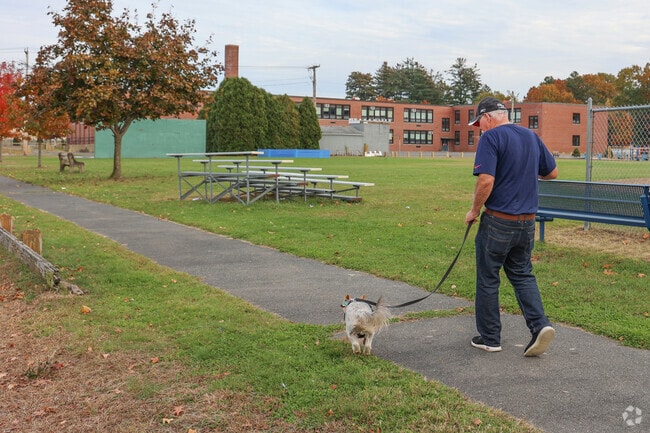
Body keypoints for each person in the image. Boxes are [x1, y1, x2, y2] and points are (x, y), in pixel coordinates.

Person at [466, 97, 558, 357]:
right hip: (527, 223)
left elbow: (486, 180)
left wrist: (474, 210)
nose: (479, 129)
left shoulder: (491, 138)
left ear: (487, 117)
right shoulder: (530, 136)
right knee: (522, 274)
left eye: (479, 124)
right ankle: (540, 325)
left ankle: (490, 337)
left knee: (488, 277)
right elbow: (552, 172)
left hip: (498, 221)